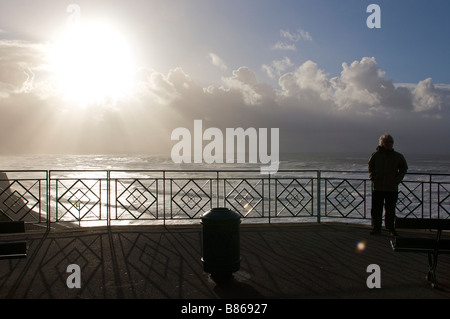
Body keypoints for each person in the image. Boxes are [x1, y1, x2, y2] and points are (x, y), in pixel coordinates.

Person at [368, 133, 408, 236]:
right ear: (382, 143)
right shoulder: (375, 155)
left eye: (391, 142)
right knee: (376, 209)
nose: (389, 144)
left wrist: (397, 179)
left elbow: (404, 167)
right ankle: (377, 228)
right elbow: (370, 166)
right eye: (386, 142)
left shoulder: (397, 156)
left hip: (391, 187)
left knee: (390, 210)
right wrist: (373, 177)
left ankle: (390, 228)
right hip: (378, 187)